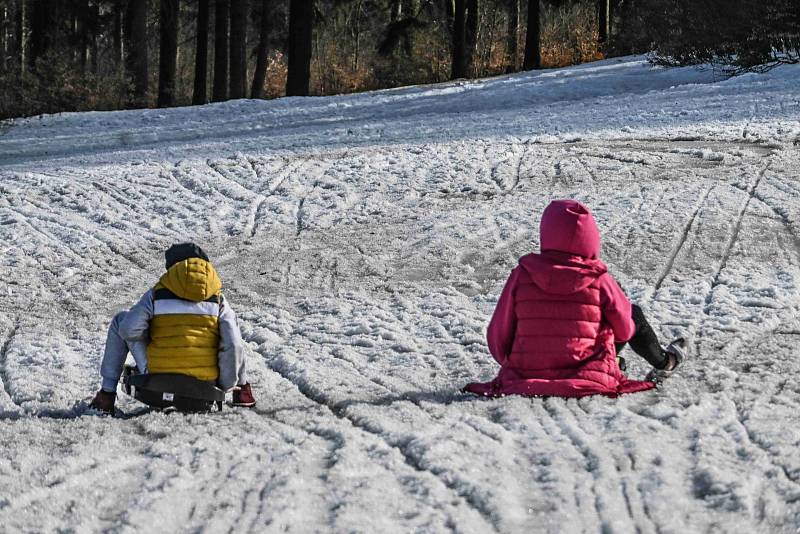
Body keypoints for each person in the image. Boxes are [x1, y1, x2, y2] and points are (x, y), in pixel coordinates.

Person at [463, 199, 687, 398]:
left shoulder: (522, 274)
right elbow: (625, 331)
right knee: (630, 312)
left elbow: (498, 334)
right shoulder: (599, 278)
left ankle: (615, 363)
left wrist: (514, 361)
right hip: (585, 376)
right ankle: (665, 362)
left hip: (526, 374)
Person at [89, 243, 256, 413]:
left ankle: (106, 395)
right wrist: (225, 385)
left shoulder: (156, 294)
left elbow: (128, 329)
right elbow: (233, 345)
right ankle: (242, 391)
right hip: (204, 390)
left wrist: (152, 336)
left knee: (120, 320)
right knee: (230, 327)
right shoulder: (218, 300)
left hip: (157, 382)